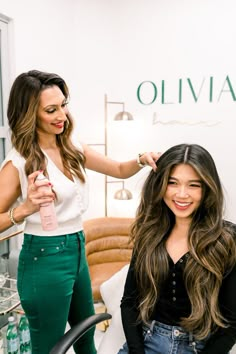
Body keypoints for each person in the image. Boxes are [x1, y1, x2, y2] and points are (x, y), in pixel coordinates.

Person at [0, 69, 160, 354]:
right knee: (51, 348)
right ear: (29, 114)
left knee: (86, 338)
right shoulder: (18, 162)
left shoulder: (72, 148)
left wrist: (142, 159)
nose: (62, 114)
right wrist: (24, 209)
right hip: (44, 260)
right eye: (51, 110)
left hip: (77, 249)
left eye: (63, 105)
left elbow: (120, 170)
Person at [118, 143, 236, 354]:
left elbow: (232, 322)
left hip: (199, 347)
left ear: (208, 188)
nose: (182, 194)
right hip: (145, 343)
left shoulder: (228, 239)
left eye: (194, 185)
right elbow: (129, 303)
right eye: (173, 183)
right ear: (161, 184)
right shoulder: (149, 232)